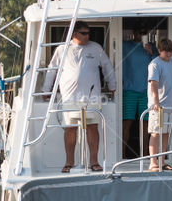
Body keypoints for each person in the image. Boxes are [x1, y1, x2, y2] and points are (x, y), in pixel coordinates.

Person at [44, 23, 117, 173]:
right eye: (84, 33)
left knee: (92, 127)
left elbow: (107, 67)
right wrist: (46, 89)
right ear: (74, 34)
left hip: (92, 96)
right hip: (69, 96)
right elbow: (52, 70)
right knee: (70, 129)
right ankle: (69, 162)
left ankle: (94, 162)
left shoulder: (96, 48)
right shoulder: (62, 49)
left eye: (88, 33)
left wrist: (112, 85)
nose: (87, 36)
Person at [147, 37, 172, 171]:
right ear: (160, 51)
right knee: (156, 133)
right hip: (159, 106)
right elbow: (153, 84)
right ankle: (153, 162)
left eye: (170, 51)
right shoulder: (154, 64)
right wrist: (156, 103)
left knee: (166, 134)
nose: (168, 54)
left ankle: (162, 161)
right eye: (165, 51)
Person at [121, 29, 154, 158]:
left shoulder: (152, 47)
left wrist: (151, 52)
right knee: (127, 123)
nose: (141, 35)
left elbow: (158, 64)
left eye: (143, 32)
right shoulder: (125, 45)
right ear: (134, 32)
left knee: (146, 124)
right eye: (139, 31)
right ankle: (122, 154)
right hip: (129, 89)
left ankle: (145, 153)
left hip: (147, 91)